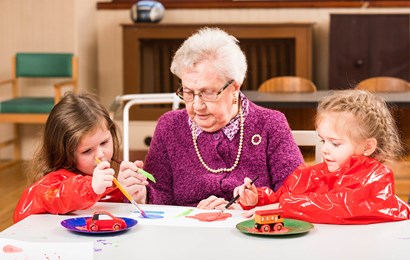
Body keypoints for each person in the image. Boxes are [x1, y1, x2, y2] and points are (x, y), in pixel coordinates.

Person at [121, 27, 303, 209]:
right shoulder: (169, 126)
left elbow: (295, 195)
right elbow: (160, 195)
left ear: (234, 88)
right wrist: (140, 194)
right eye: (188, 92)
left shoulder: (270, 124)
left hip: (251, 231)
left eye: (207, 93)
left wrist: (244, 210)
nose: (197, 105)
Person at [234, 89, 410, 224]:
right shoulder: (312, 175)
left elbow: (340, 205)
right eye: (322, 140)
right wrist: (258, 199)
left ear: (368, 146)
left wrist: (283, 207)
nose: (325, 149)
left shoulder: (378, 179)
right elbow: (283, 197)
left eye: (335, 143)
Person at [13, 92, 133, 223]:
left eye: (104, 142)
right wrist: (90, 188)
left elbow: (105, 207)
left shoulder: (98, 177)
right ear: (63, 153)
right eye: (87, 150)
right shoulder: (55, 182)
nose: (100, 154)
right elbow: (48, 197)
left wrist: (125, 192)